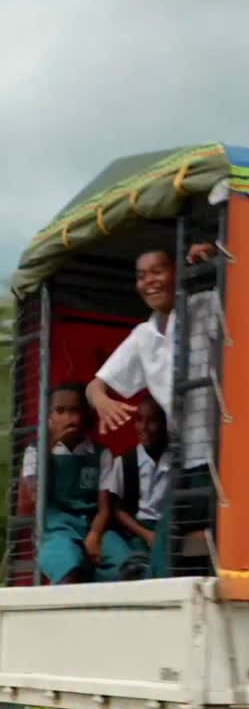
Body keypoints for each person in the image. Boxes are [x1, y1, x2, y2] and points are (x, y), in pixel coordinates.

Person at [86, 242, 216, 577]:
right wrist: (102, 400)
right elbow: (94, 386)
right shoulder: (143, 335)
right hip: (187, 459)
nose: (149, 282)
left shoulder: (204, 303)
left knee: (223, 546)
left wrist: (215, 260)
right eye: (141, 276)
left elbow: (243, 293)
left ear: (176, 272)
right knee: (168, 548)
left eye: (157, 271)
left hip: (224, 452)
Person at [21, 383, 132, 584]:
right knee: (69, 569)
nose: (68, 418)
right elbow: (33, 497)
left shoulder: (101, 454)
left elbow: (105, 507)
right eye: (60, 411)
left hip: (94, 526)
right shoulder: (35, 452)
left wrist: (95, 535)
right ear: (49, 417)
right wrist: (51, 446)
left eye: (75, 411)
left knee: (126, 566)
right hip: (56, 530)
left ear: (86, 416)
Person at [108, 395, 170, 571]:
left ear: (165, 424)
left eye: (152, 421)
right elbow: (118, 510)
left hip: (167, 526)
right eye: (139, 420)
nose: (144, 428)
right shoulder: (125, 462)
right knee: (137, 564)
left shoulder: (175, 461)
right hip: (138, 530)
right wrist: (147, 535)